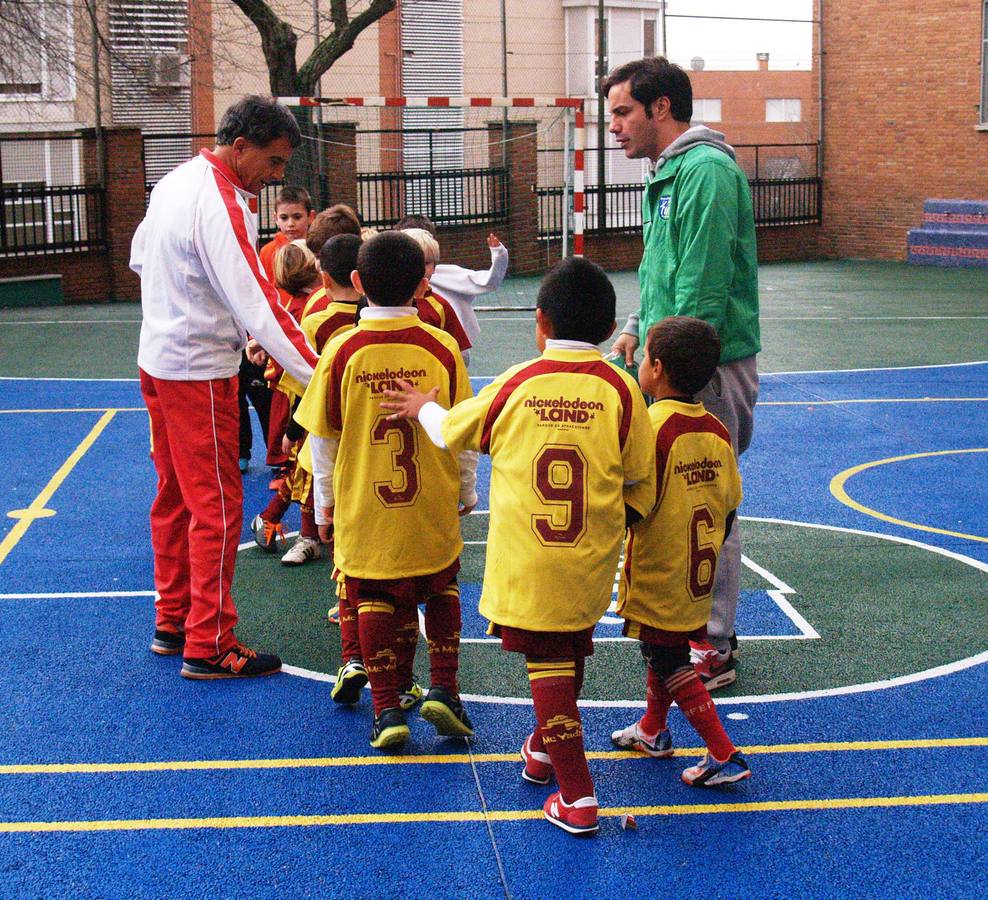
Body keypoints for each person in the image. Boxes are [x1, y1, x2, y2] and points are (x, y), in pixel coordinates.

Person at [382, 257, 655, 836]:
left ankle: (578, 797)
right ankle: (540, 748)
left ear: (540, 322)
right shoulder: (623, 390)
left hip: (529, 562)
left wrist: (421, 406)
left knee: (549, 665)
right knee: (568, 652)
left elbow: (450, 428)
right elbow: (639, 477)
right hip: (590, 560)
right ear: (609, 330)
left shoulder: (518, 382)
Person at [131, 95, 319, 679]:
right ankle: (209, 641)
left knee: (175, 494)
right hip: (197, 370)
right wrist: (326, 372)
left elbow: (142, 259)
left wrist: (208, 312)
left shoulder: (173, 181)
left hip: (158, 358)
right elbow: (260, 299)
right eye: (275, 160)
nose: (278, 174)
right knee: (215, 502)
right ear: (241, 147)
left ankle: (174, 618)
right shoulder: (218, 199)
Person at [604, 56, 760, 689]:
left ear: (660, 108)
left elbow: (702, 285)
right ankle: (686, 632)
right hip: (670, 360)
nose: (613, 126)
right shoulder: (668, 176)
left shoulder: (707, 174)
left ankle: (712, 643)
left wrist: (674, 371)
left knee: (705, 498)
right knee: (673, 499)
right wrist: (636, 329)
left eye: (622, 112)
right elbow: (661, 270)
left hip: (705, 367)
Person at [294, 231, 477, 750]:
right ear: (424, 285)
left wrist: (324, 505)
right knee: (440, 587)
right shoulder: (440, 346)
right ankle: (444, 687)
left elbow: (323, 438)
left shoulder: (342, 349)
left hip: (364, 506)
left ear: (355, 282)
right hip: (430, 502)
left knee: (371, 595)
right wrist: (466, 490)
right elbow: (462, 430)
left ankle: (386, 709)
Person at [611, 316, 751, 787]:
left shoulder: (651, 428)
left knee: (669, 661)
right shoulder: (715, 429)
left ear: (656, 367)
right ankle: (653, 730)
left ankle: (724, 753)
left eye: (645, 354)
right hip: (698, 572)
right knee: (661, 652)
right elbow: (730, 505)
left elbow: (633, 508)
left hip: (662, 573)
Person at [249, 240, 324, 566]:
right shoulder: (308, 312)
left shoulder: (305, 308)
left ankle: (273, 519)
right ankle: (294, 529)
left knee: (308, 466)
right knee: (306, 465)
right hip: (306, 400)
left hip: (308, 399)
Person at [257, 187, 315, 481]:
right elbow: (262, 293)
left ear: (310, 217)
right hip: (282, 330)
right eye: (284, 217)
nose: (290, 223)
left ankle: (306, 455)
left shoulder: (318, 247)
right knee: (281, 400)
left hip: (310, 326)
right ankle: (282, 460)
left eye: (297, 216)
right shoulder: (269, 252)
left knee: (310, 397)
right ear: (275, 219)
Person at [395, 214, 509, 352]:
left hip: (448, 349)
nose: (418, 269)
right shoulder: (389, 289)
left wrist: (499, 255)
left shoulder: (445, 289)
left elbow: (488, 281)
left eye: (425, 262)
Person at [399, 227, 473, 362]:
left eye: (426, 263)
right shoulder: (384, 302)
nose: (419, 268)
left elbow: (461, 353)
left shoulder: (440, 306)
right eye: (412, 262)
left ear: (434, 267)